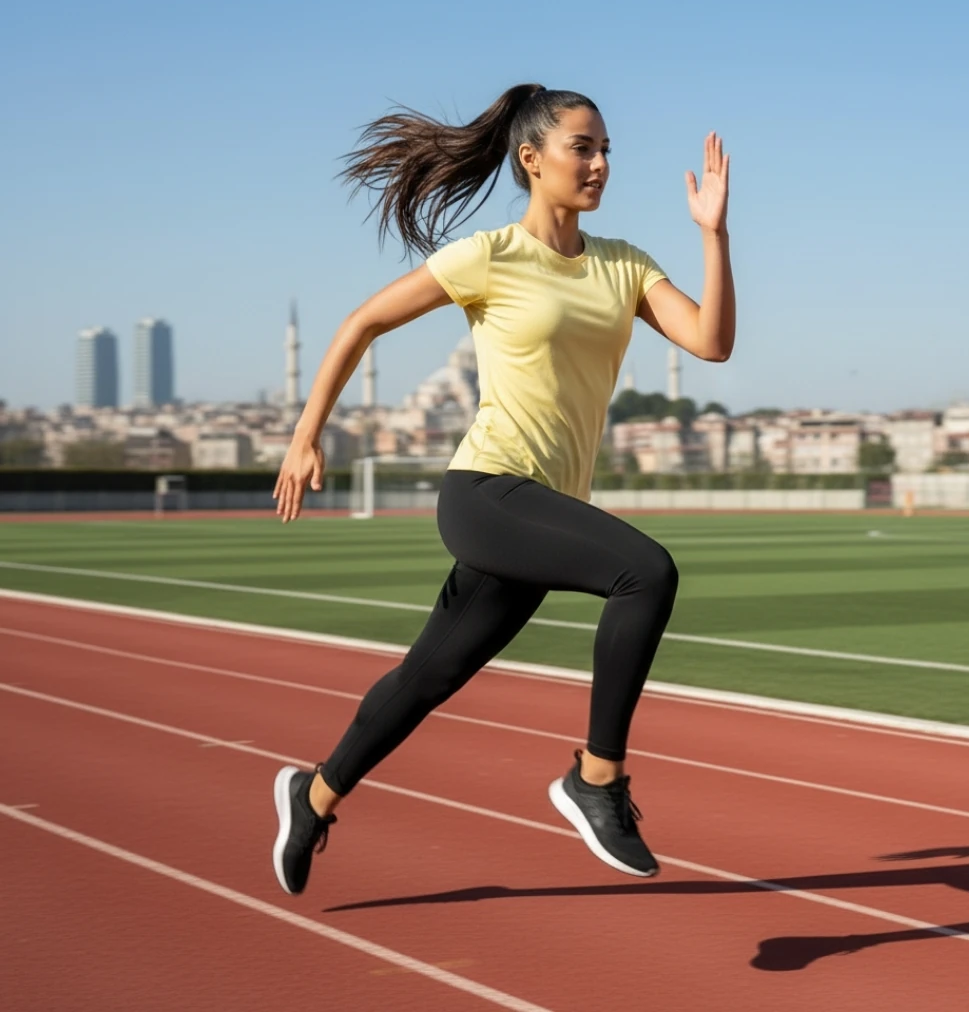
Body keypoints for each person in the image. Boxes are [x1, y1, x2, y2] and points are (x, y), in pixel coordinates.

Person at [270, 83, 735, 896]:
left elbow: (711, 342)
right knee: (646, 572)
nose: (599, 164)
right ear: (532, 160)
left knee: (427, 679)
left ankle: (311, 797)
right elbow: (362, 324)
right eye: (582, 148)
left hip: (543, 508)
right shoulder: (488, 256)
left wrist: (714, 236)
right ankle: (595, 780)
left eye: (606, 151)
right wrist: (307, 434)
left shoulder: (623, 264)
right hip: (487, 491)